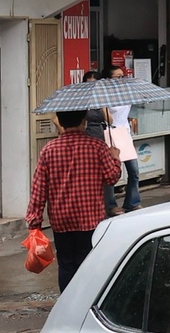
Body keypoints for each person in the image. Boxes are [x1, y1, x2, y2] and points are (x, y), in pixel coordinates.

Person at [27, 108, 127, 290]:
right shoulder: (97, 147)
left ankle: (67, 304)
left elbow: (39, 188)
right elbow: (111, 177)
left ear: (61, 123)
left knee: (66, 265)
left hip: (61, 220)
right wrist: (116, 158)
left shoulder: (49, 150)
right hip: (90, 221)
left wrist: (34, 222)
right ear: (84, 121)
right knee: (88, 264)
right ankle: (85, 305)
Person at [103, 66, 142, 215]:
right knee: (111, 172)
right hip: (110, 134)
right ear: (108, 79)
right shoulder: (104, 95)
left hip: (124, 133)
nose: (121, 79)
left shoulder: (126, 92)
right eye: (117, 77)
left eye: (122, 76)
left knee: (134, 171)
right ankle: (111, 205)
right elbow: (109, 117)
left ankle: (132, 202)